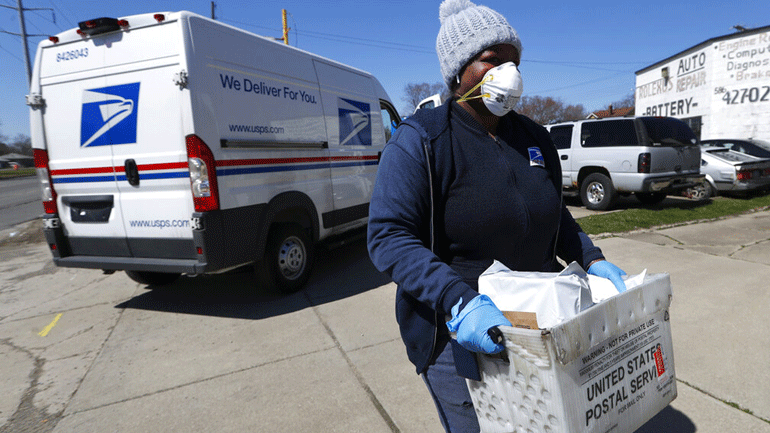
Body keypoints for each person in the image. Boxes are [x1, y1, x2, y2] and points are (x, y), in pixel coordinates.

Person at [367, 0, 628, 431]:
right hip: (460, 336)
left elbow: (554, 213)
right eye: (492, 60)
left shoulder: (535, 138)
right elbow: (389, 236)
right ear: (458, 70)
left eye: (514, 61)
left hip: (540, 327)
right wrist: (458, 302)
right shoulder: (422, 141)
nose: (509, 73)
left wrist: (592, 257)